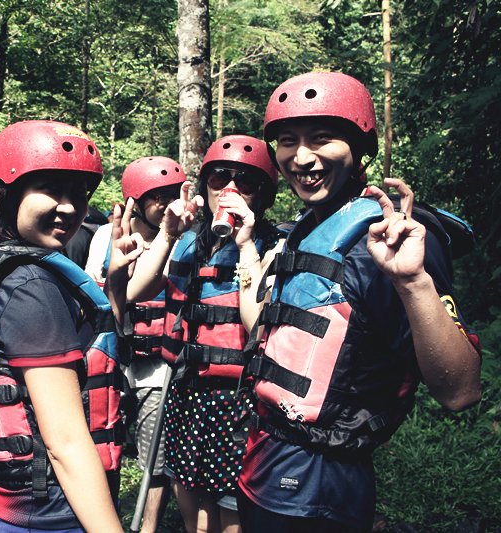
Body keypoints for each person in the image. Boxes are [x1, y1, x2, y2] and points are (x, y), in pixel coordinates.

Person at [236, 71, 482, 533]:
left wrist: (413, 282)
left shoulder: (387, 241)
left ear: (359, 147)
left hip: (320, 489)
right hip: (265, 464)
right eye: (287, 141)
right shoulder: (305, 230)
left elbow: (461, 391)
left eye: (322, 138)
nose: (301, 156)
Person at [0, 120, 143, 533]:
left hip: (3, 506)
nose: (69, 207)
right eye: (50, 188)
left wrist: (116, 281)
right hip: (53, 513)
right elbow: (64, 443)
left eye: (78, 193)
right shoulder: (30, 284)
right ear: (6, 194)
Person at [126, 136, 285, 533]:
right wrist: (168, 234)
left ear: (262, 193)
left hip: (239, 399)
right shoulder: (186, 239)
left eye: (244, 181)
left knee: (233, 513)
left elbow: (258, 323)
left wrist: (245, 245)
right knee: (191, 505)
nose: (229, 188)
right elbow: (136, 291)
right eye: (219, 177)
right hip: (187, 391)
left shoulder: (272, 245)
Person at [85, 156, 186, 533]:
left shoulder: (181, 239)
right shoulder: (105, 237)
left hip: (158, 367)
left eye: (172, 194)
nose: (166, 202)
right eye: (157, 196)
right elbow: (96, 296)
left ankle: (148, 527)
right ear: (135, 200)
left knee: (154, 458)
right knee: (101, 447)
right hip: (114, 358)